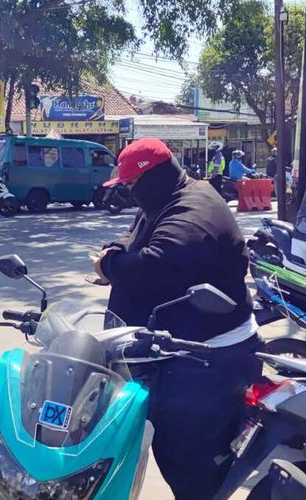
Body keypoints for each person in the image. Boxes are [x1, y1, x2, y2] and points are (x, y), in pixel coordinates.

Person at [92, 138, 262, 499]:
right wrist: (115, 252)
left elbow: (153, 266)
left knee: (189, 463)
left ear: (152, 178)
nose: (130, 193)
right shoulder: (167, 198)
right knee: (171, 450)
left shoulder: (193, 211)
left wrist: (109, 265)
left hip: (209, 361)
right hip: (178, 354)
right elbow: (136, 233)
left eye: (133, 186)